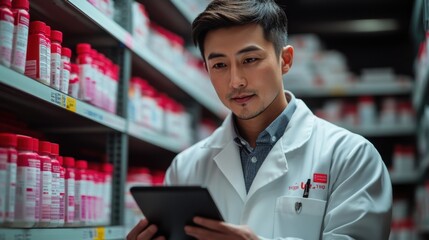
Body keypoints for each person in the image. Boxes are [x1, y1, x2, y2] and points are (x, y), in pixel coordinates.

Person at [127, 0, 393, 239]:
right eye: (220, 65)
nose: (236, 81)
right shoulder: (186, 168)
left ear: (285, 60)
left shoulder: (350, 156)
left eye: (250, 59)